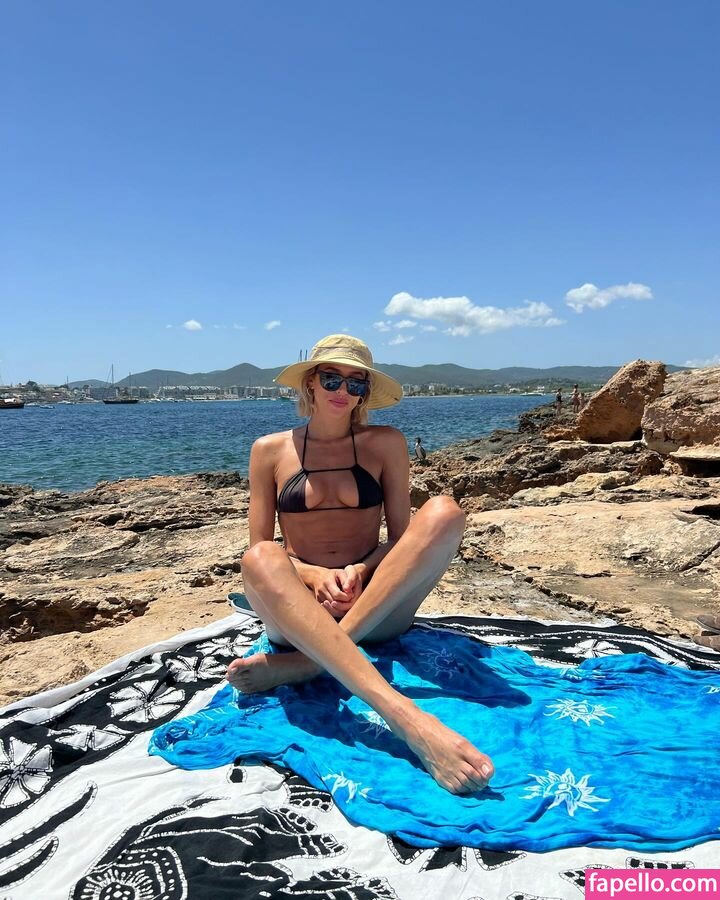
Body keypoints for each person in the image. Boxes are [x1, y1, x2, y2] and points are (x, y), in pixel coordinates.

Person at [226, 334, 494, 794]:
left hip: (372, 606)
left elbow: (403, 542)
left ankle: (308, 664)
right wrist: (313, 574)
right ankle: (408, 718)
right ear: (311, 382)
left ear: (365, 393)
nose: (343, 391)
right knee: (260, 557)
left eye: (356, 383)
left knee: (445, 511)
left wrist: (363, 569)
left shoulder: (385, 443)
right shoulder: (268, 450)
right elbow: (261, 548)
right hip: (301, 610)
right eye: (332, 378)